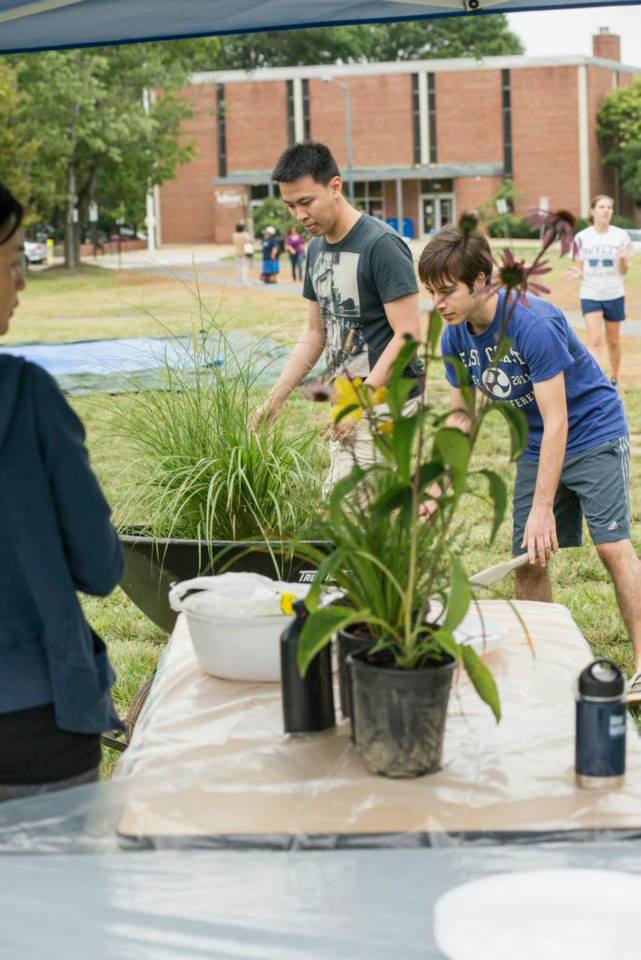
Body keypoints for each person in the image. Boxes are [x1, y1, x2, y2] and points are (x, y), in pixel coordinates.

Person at [418, 225, 641, 702]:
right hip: (540, 441)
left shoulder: (530, 323)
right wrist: (439, 483)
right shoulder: (455, 338)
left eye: (446, 291)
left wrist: (544, 507)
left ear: (481, 280)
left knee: (612, 547)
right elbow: (462, 415)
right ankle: (548, 664)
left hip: (592, 430)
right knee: (529, 558)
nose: (438, 303)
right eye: (431, 293)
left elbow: (558, 418)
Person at [0, 182, 124, 800]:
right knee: (59, 898)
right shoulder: (28, 397)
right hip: (38, 719)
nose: (21, 281)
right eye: (14, 260)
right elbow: (101, 570)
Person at [252, 141, 422, 491]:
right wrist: (276, 399)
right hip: (346, 397)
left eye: (305, 202)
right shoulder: (315, 249)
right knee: (369, 526)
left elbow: (408, 335)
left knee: (344, 517)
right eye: (290, 206)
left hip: (390, 402)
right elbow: (315, 333)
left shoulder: (381, 245)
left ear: (335, 186)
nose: (299, 215)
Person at [572, 194, 633, 386]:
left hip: (614, 293)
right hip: (591, 293)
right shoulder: (581, 237)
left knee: (613, 340)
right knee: (595, 340)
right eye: (601, 207)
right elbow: (578, 267)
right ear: (592, 211)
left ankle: (614, 378)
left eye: (609, 207)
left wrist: (623, 259)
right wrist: (575, 272)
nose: (606, 210)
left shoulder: (621, 235)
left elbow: (624, 270)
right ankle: (597, 383)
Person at [232, 220, 253, 286]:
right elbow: (251, 240)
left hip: (237, 252)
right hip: (244, 253)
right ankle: (244, 282)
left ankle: (239, 282)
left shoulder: (234, 235)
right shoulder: (245, 234)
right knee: (244, 268)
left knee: (238, 268)